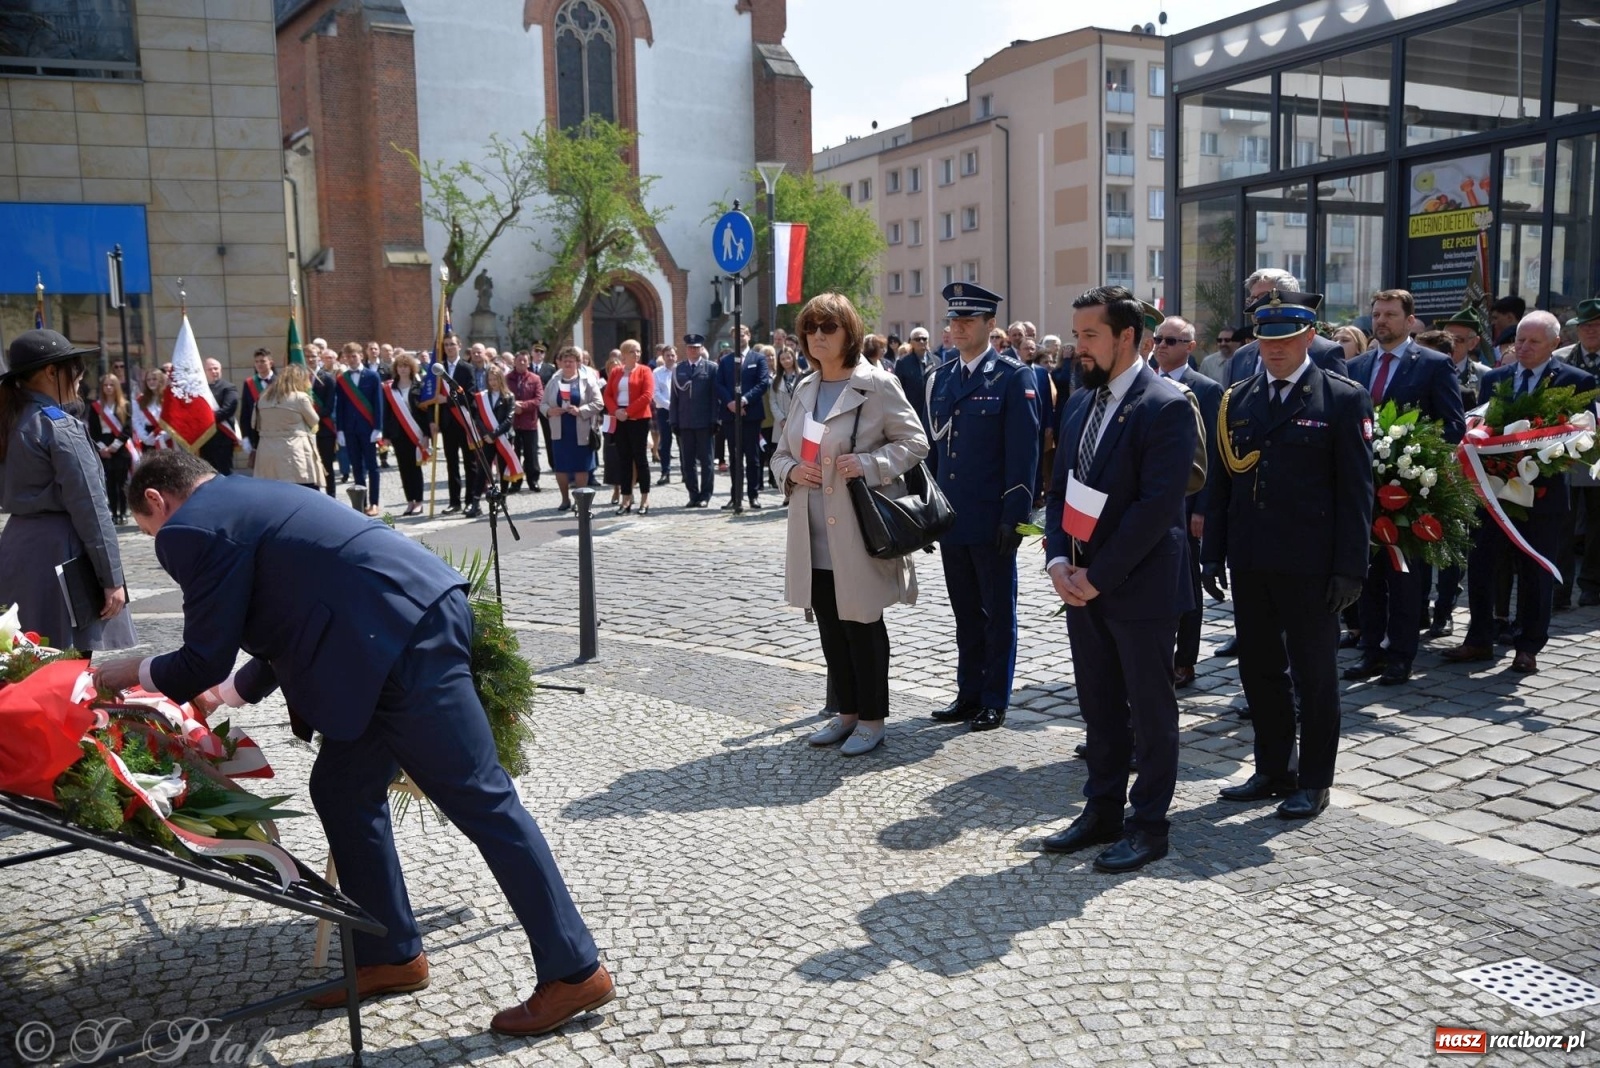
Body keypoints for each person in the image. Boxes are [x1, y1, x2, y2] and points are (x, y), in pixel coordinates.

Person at [92, 450, 613, 1035]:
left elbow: (201, 657)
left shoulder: (191, 527)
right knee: (341, 788)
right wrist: (227, 695)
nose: (159, 544)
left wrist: (130, 671)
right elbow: (295, 606)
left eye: (147, 529)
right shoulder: (246, 496)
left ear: (157, 501)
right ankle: (392, 953)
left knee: (483, 801)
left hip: (397, 643)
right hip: (391, 632)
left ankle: (574, 970)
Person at [1036, 286, 1196, 873]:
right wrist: (1058, 561)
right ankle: (1100, 809)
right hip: (1081, 584)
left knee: (1150, 711)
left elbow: (1155, 509)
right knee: (1098, 703)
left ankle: (1149, 824)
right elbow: (1058, 490)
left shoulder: (1167, 404)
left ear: (1127, 338)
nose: (1079, 347)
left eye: (1090, 336)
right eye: (1076, 335)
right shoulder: (1080, 403)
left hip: (1139, 588)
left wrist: (1097, 576)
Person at [1202, 291, 1374, 821]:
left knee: (1315, 676)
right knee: (1259, 671)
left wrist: (1351, 567)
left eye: (1285, 340)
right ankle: (1274, 768)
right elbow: (1223, 487)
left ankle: (1315, 780)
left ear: (1308, 338)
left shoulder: (1341, 399)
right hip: (1252, 561)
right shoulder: (1239, 399)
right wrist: (1212, 555)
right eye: (1265, 340)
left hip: (1312, 565)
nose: (1274, 350)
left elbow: (1357, 492)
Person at [770, 293, 928, 757]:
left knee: (861, 622)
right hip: (811, 530)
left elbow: (915, 442)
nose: (818, 336)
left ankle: (873, 718)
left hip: (858, 527)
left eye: (828, 328)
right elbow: (781, 453)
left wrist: (869, 462)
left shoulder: (876, 384)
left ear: (849, 333)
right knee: (830, 627)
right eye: (811, 329)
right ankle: (846, 714)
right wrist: (793, 472)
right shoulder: (804, 388)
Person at [1443, 311, 1599, 675]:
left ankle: (1528, 646)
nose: (1523, 347)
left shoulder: (1577, 381)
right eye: (1519, 340)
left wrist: (1546, 456)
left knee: (1535, 569)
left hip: (1543, 494)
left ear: (1555, 344)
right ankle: (1479, 638)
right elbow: (1481, 428)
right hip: (1495, 492)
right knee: (1482, 565)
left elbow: (1586, 438)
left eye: (1533, 342)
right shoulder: (1496, 379)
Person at [926, 282, 1041, 732]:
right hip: (954, 518)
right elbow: (936, 454)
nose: (957, 328)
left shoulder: (1013, 377)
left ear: (991, 325)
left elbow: (1024, 455)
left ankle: (994, 697)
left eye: (967, 320)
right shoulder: (943, 377)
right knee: (965, 612)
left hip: (993, 517)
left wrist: (1016, 517)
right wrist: (929, 513)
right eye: (953, 320)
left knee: (997, 613)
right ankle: (968, 692)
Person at [1342, 289, 1464, 686]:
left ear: (1410, 321)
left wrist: (1410, 451)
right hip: (1364, 490)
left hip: (1410, 490)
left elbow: (1453, 425)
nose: (1381, 321)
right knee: (1369, 575)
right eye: (1376, 314)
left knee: (1405, 576)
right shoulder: (1356, 366)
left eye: (1391, 315)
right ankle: (1372, 650)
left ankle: (1401, 655)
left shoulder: (1433, 364)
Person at [0, 330, 136, 651]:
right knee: (65, 670)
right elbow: (90, 505)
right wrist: (111, 578)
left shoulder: (8, 422)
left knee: (21, 661)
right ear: (51, 372)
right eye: (75, 366)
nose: (80, 376)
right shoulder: (58, 425)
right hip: (61, 554)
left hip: (15, 549)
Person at [1151, 316, 1222, 689]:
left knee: (1188, 586)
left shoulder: (1206, 390)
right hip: (1154, 504)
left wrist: (1202, 508)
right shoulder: (1147, 382)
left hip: (1188, 504)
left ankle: (1185, 660)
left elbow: (1210, 452)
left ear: (1190, 347)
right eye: (1159, 339)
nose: (1162, 346)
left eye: (1172, 341)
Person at [1222, 270, 1346, 386]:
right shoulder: (1241, 356)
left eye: (1263, 297)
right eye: (1251, 299)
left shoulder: (1325, 352)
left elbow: (1338, 399)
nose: (1255, 305)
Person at [541, 347, 603, 512]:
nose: (568, 363)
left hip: (580, 428)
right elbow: (543, 403)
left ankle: (580, 501)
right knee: (561, 466)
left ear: (578, 363)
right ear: (560, 362)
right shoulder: (554, 381)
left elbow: (599, 403)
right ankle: (565, 499)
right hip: (559, 429)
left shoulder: (587, 380)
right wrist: (549, 411)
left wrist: (581, 411)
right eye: (565, 360)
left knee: (580, 466)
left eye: (571, 361)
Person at [717, 326, 771, 509]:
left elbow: (763, 382)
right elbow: (719, 384)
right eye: (735, 336)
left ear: (749, 336)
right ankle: (735, 495)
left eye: (742, 335)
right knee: (734, 457)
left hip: (751, 413)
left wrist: (744, 401)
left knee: (752, 457)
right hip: (730, 414)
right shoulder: (725, 361)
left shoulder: (758, 358)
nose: (739, 338)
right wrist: (731, 403)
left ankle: (753, 495)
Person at [603, 340, 655, 516]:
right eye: (633, 351)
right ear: (624, 354)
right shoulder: (616, 372)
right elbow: (608, 394)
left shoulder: (645, 370)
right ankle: (626, 499)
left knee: (640, 459)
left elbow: (647, 395)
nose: (637, 354)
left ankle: (645, 498)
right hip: (620, 420)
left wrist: (628, 411)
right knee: (623, 460)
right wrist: (616, 411)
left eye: (638, 351)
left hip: (638, 419)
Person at [252, 361, 322, 489]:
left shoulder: (263, 398)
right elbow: (314, 420)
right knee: (303, 492)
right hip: (294, 451)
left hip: (267, 452)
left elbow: (256, 424)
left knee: (272, 493)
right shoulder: (300, 398)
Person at [334, 341, 384, 516]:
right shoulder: (342, 379)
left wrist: (378, 427)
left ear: (361, 356)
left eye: (354, 356)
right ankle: (361, 504)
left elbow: (378, 403)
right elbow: (339, 406)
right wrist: (339, 430)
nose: (351, 360)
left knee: (372, 466)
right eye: (348, 357)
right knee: (356, 466)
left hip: (368, 428)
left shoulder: (372, 376)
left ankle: (375, 503)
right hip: (349, 429)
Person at [672, 335, 719, 507]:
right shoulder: (679, 369)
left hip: (705, 422)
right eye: (690, 347)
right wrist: (674, 420)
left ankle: (705, 495)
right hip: (685, 422)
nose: (693, 350)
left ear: (701, 349)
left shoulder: (711, 368)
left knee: (707, 461)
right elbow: (674, 397)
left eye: (696, 347)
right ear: (686, 349)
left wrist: (716, 419)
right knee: (688, 462)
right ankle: (693, 494)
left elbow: (715, 397)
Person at [383, 353, 433, 516]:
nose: (403, 369)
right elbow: (387, 413)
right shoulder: (390, 388)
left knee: (415, 467)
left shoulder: (420, 385)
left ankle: (419, 501)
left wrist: (426, 435)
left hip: (416, 432)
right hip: (398, 434)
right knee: (404, 468)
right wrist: (387, 435)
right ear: (396, 368)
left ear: (411, 368)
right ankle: (410, 501)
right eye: (400, 366)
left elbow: (426, 413)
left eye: (406, 366)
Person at [432, 335, 476, 513]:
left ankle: (471, 500)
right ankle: (454, 501)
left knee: (469, 463)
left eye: (453, 344)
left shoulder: (467, 368)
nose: (449, 347)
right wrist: (431, 421)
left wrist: (448, 400)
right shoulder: (437, 369)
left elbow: (469, 394)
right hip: (447, 423)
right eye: (447, 345)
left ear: (459, 346)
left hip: (463, 420)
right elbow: (432, 397)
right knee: (451, 464)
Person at [87, 373, 134, 524]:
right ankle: (114, 512)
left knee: (122, 482)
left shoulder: (124, 405)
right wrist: (102, 449)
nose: (108, 388)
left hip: (120, 447)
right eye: (105, 385)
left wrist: (114, 447)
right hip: (103, 446)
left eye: (111, 384)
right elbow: (93, 431)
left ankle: (124, 511)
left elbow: (128, 429)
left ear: (116, 386)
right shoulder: (96, 407)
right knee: (110, 483)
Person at [505, 351, 544, 494]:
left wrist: (523, 406)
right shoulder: (507, 378)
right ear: (514, 362)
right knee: (514, 454)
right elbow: (503, 396)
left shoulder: (535, 379)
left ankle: (533, 480)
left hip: (529, 422)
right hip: (512, 423)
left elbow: (539, 399)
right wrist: (514, 407)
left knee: (531, 454)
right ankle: (515, 482)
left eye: (525, 361)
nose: (522, 363)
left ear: (528, 363)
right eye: (519, 360)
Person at [199, 357, 240, 475]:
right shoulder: (201, 389)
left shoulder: (228, 387)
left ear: (221, 369)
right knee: (207, 473)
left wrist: (205, 420)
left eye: (216, 368)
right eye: (210, 369)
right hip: (205, 439)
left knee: (224, 473)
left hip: (222, 439)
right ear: (204, 371)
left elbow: (228, 410)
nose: (213, 371)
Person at [312, 347, 340, 496]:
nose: (310, 359)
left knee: (327, 467)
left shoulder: (328, 377)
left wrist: (311, 418)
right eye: (307, 356)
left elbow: (329, 406)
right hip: (305, 431)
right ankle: (315, 497)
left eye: (314, 356)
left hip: (324, 429)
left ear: (319, 358)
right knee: (311, 468)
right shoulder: (299, 377)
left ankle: (332, 498)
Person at [894, 328, 932, 434]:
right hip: (912, 413)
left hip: (931, 413)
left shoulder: (937, 361)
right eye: (917, 339)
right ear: (911, 342)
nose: (921, 342)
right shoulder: (903, 363)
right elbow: (898, 390)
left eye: (924, 339)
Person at [239, 347, 274, 455]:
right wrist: (245, 437)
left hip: (276, 432)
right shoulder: (249, 383)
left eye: (263, 361)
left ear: (271, 363)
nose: (259, 364)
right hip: (256, 434)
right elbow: (245, 412)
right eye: (257, 361)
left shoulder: (280, 381)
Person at [769, 345, 804, 443]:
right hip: (782, 422)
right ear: (779, 361)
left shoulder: (802, 376)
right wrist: (781, 419)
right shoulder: (776, 379)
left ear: (793, 358)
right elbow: (772, 401)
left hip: (799, 421)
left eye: (788, 357)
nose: (786, 361)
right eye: (782, 359)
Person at [651, 345, 675, 486]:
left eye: (672, 355)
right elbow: (655, 393)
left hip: (681, 411)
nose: (670, 358)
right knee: (665, 442)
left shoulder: (681, 370)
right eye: (668, 355)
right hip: (664, 410)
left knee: (683, 442)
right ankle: (665, 472)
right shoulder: (657, 372)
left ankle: (685, 472)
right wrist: (670, 405)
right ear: (663, 357)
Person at [133, 366, 170, 456]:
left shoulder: (168, 398)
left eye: (154, 379)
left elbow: (173, 419)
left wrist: (165, 435)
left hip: (166, 436)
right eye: (148, 380)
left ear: (161, 381)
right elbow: (136, 420)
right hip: (148, 435)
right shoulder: (140, 400)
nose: (151, 382)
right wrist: (145, 437)